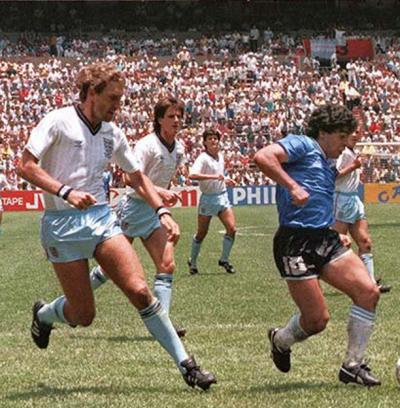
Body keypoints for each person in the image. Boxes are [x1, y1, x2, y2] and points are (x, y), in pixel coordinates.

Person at [18, 63, 215, 390]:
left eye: (121, 99)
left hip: (100, 219)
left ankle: (187, 366)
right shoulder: (57, 122)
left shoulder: (113, 133)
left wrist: (162, 210)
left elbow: (136, 176)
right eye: (112, 98)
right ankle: (44, 316)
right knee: (83, 315)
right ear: (91, 92)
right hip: (61, 225)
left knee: (139, 290)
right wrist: (64, 191)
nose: (117, 106)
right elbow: (25, 166)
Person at [254, 104, 382, 386]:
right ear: (323, 133)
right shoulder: (302, 144)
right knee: (316, 321)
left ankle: (353, 365)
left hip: (324, 238)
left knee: (368, 292)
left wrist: (335, 230)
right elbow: (263, 157)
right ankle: (281, 339)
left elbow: (321, 194)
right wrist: (291, 186)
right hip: (294, 242)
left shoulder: (328, 161)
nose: (345, 143)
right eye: (341, 136)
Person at [87, 96, 189, 337]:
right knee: (109, 269)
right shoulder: (147, 145)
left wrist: (162, 196)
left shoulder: (180, 148)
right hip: (133, 209)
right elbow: (129, 179)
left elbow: (162, 178)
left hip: (154, 212)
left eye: (179, 116)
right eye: (171, 116)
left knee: (167, 264)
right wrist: (161, 193)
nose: (176, 120)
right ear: (159, 119)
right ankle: (71, 300)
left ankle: (162, 324)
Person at [332, 114, 391, 293]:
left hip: (353, 199)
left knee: (365, 242)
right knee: (337, 246)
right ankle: (317, 280)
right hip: (341, 199)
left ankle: (370, 284)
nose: (356, 135)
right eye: (352, 132)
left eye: (358, 132)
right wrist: (353, 167)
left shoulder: (351, 152)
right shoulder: (341, 153)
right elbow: (332, 175)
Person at [187, 129, 237, 274]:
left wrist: (227, 179)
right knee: (202, 233)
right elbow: (192, 175)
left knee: (232, 229)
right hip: (208, 199)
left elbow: (221, 175)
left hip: (222, 196)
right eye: (210, 139)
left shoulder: (220, 156)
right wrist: (214, 177)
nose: (213, 141)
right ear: (205, 142)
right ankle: (193, 262)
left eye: (215, 138)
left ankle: (224, 260)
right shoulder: (202, 158)